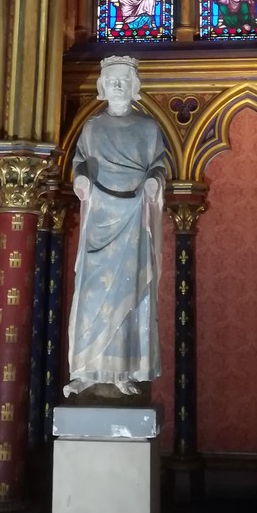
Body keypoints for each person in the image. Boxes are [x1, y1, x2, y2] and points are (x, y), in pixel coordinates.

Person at [64, 56, 165, 398]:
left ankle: (123, 370)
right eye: (112, 80)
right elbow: (80, 161)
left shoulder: (148, 128)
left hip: (133, 216)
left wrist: (153, 181)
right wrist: (80, 179)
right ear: (103, 86)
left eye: (123, 79)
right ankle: (87, 370)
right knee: (92, 296)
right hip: (100, 220)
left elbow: (158, 164)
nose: (118, 85)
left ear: (135, 86)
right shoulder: (92, 128)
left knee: (127, 291)